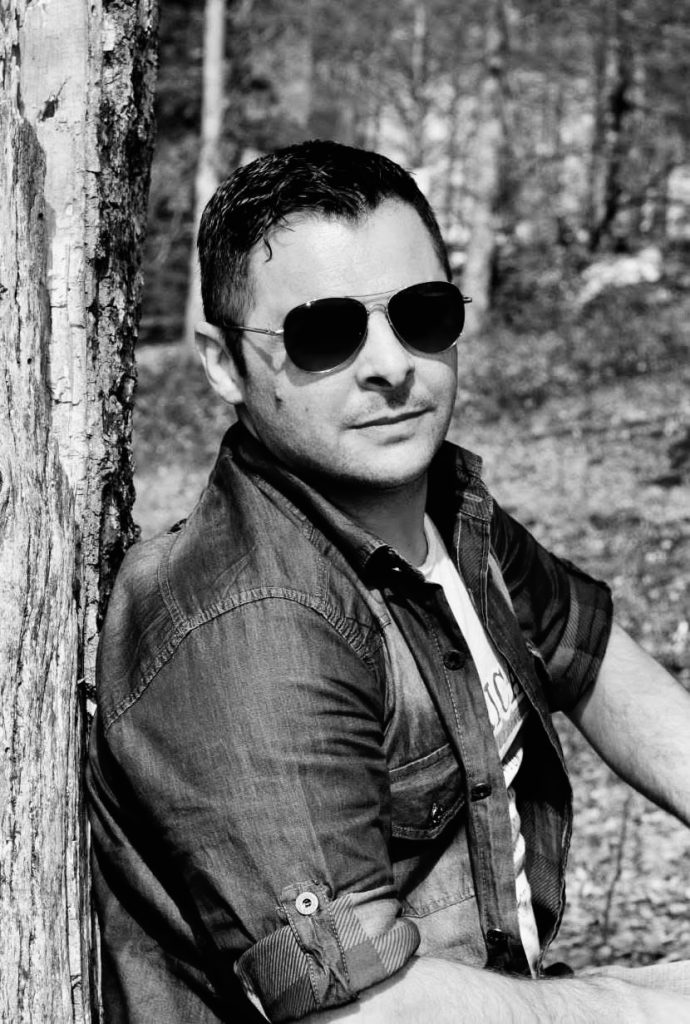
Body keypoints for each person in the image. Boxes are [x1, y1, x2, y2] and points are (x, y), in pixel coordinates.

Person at [87, 140, 690, 1023]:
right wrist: (653, 1001)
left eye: (421, 314)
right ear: (221, 362)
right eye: (325, 333)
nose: (391, 364)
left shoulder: (441, 506)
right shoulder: (249, 621)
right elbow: (359, 1010)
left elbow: (589, 658)